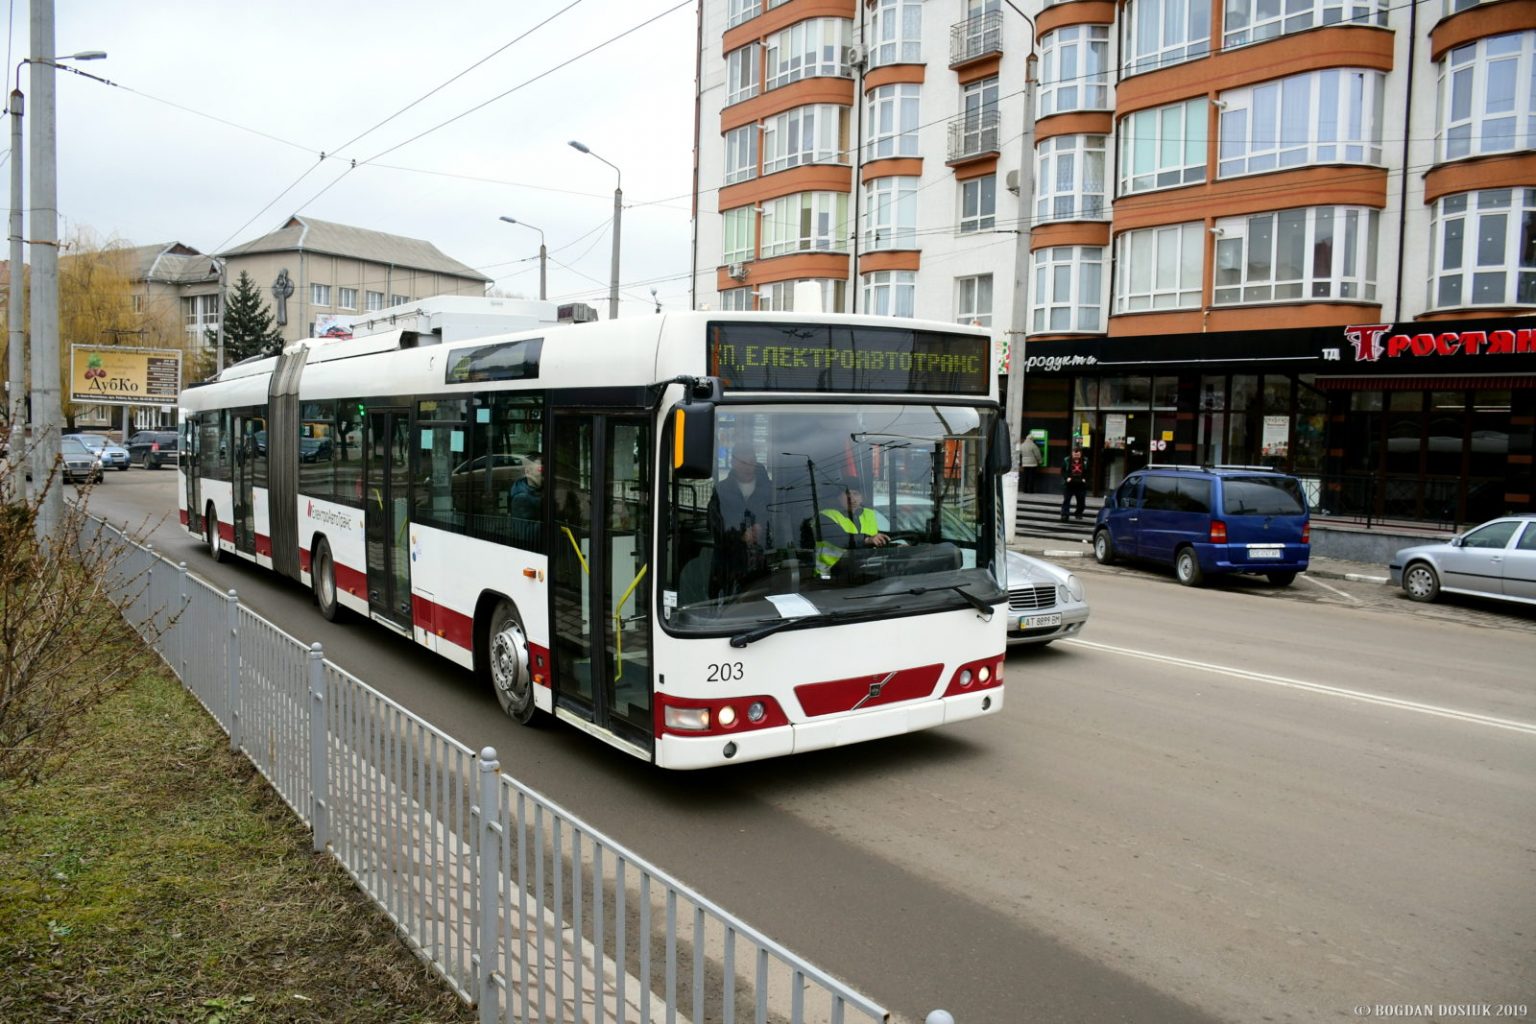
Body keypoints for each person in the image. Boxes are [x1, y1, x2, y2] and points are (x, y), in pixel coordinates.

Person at [707, 448, 773, 596]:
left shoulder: (771, 489)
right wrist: (739, 535)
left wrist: (763, 529)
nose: (747, 467)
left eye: (751, 462)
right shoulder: (721, 490)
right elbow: (713, 525)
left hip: (764, 562)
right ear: (733, 463)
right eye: (743, 462)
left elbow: (781, 518)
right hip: (730, 563)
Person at [814, 477, 889, 577]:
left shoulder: (871, 514)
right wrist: (866, 540)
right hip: (830, 575)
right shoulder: (825, 516)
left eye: (856, 494)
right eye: (847, 494)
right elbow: (839, 539)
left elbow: (882, 536)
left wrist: (897, 545)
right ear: (838, 498)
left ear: (862, 498)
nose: (852, 498)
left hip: (866, 571)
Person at [508, 452, 544, 522]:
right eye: (541, 470)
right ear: (527, 471)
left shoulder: (539, 490)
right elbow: (525, 531)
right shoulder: (521, 498)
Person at [1061, 442, 1089, 521]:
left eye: (1078, 455)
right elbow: (1063, 471)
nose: (1076, 457)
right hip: (1069, 484)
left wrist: (1085, 479)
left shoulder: (1085, 461)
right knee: (1066, 500)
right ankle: (1065, 515)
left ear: (1080, 454)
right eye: (1075, 455)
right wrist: (1066, 478)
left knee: (1081, 502)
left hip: (1081, 484)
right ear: (1072, 454)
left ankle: (1078, 513)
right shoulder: (1067, 460)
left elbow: (1088, 471)